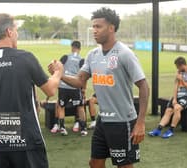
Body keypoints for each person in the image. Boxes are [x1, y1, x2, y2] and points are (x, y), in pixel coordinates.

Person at [49, 7, 149, 168]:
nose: (94, 30)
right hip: (103, 120)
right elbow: (80, 81)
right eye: (93, 26)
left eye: (98, 26)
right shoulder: (92, 55)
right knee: (95, 163)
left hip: (122, 121)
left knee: (124, 165)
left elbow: (143, 86)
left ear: (111, 28)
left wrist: (140, 122)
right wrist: (60, 74)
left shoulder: (125, 54)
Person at [0, 13, 63, 168]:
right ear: (9, 32)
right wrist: (58, 72)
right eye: (16, 31)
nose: (17, 35)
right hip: (28, 143)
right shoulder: (26, 58)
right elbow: (50, 90)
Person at [148, 56, 187, 139]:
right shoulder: (179, 72)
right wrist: (174, 99)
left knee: (177, 108)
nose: (177, 69)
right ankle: (158, 129)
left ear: (182, 65)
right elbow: (176, 86)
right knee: (168, 110)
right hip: (178, 95)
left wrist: (182, 79)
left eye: (177, 67)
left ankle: (171, 130)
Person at [50, 41, 88, 136]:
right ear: (80, 49)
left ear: (72, 47)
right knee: (80, 107)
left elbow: (57, 69)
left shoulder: (65, 57)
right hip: (75, 86)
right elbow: (84, 76)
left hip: (63, 86)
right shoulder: (81, 60)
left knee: (61, 106)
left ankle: (62, 128)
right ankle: (83, 128)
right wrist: (83, 89)